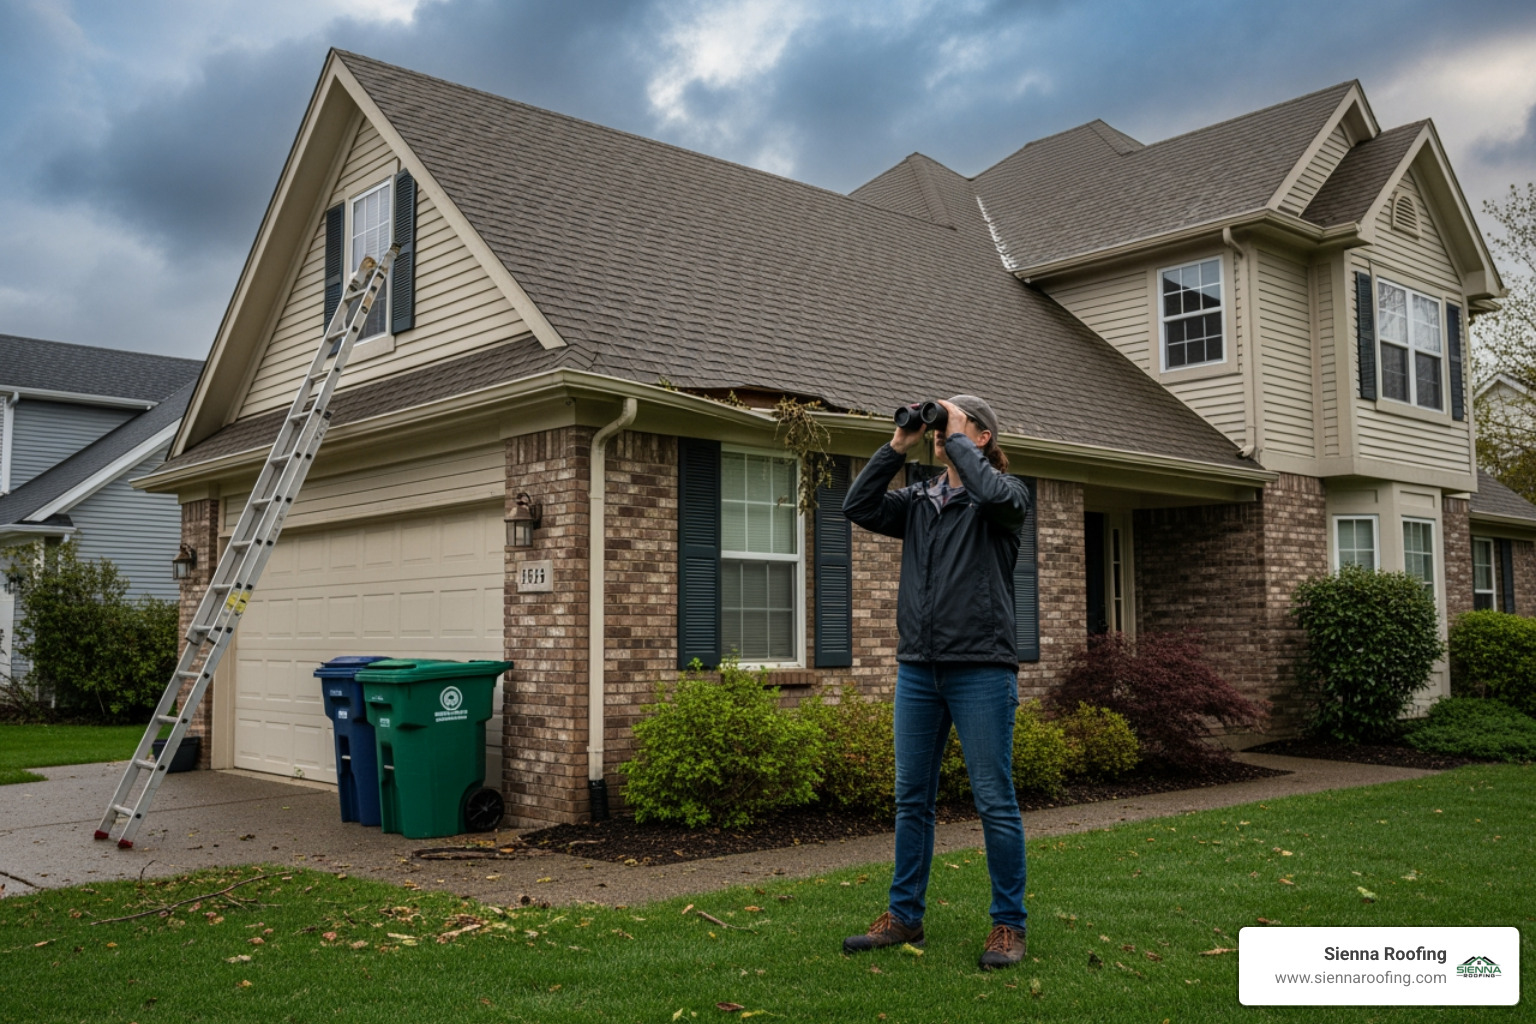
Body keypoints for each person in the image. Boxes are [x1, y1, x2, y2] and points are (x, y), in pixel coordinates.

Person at [840, 394, 1031, 970]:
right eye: (939, 427)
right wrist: (897, 447)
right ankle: (904, 917)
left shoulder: (1007, 497)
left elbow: (990, 491)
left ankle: (1008, 927)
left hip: (981, 668)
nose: (941, 433)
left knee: (994, 801)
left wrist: (954, 436)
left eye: (956, 426)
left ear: (982, 438)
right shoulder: (919, 500)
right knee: (910, 800)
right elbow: (858, 505)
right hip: (919, 668)